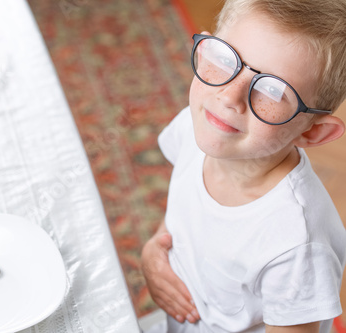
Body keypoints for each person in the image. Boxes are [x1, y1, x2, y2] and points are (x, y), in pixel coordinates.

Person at [141, 0, 346, 332]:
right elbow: (184, 214)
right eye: (225, 60)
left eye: (272, 90)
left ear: (313, 131)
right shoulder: (199, 127)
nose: (228, 98)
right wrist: (157, 248)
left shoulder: (297, 244)